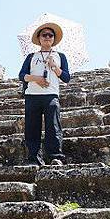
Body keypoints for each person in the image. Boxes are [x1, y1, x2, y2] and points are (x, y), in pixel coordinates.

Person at [18, 22, 70, 165]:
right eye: (44, 35)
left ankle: (55, 156)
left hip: (51, 94)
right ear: (39, 38)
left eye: (50, 35)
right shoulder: (31, 56)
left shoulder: (60, 56)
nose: (47, 37)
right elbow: (22, 75)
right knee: (31, 127)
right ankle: (34, 157)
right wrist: (37, 79)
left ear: (53, 38)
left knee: (53, 125)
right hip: (32, 95)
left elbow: (66, 78)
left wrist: (54, 66)